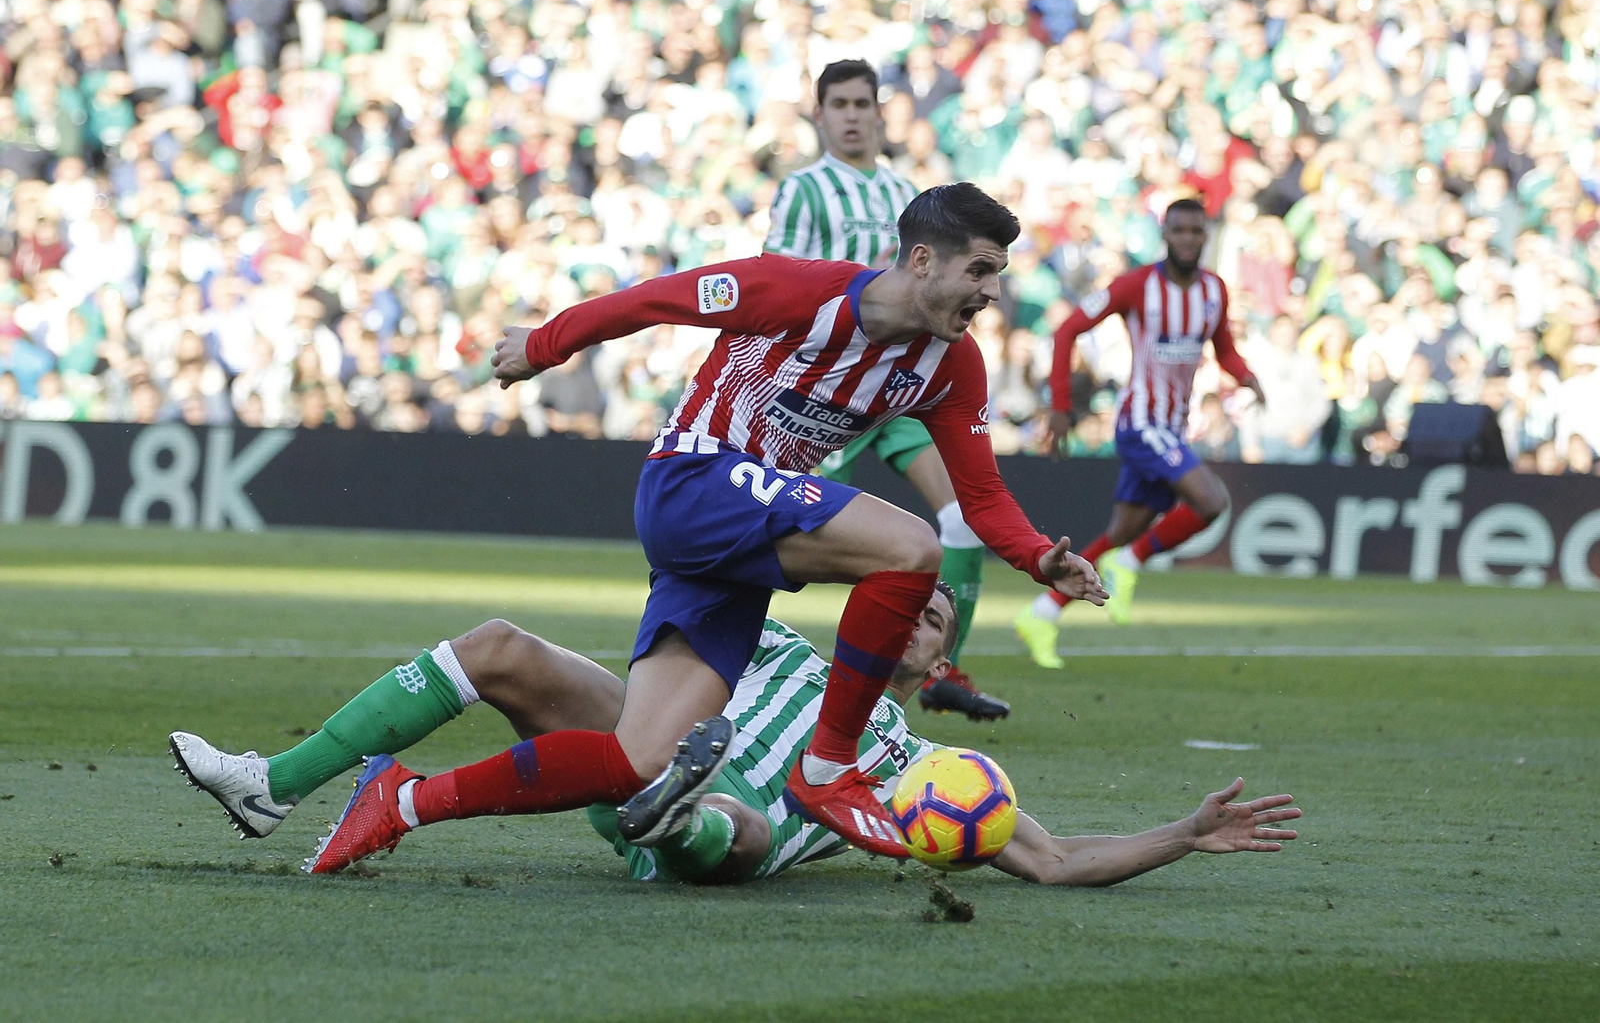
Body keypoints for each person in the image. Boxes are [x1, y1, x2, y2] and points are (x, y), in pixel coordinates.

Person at [485, 183, 1104, 858]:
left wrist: (1038, 557)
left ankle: (403, 800)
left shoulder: (954, 366)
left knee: (640, 758)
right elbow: (653, 298)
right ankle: (827, 766)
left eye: (998, 274)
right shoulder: (795, 290)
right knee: (910, 548)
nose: (991, 292)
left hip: (748, 518)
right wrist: (543, 345)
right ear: (923, 260)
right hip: (697, 474)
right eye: (980, 270)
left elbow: (981, 494)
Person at [168, 587, 1299, 883]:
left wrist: (1180, 835)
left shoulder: (918, 768)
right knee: (504, 645)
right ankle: (276, 781)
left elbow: (1052, 861)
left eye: (932, 615)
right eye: (902, 597)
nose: (912, 609)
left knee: (744, 828)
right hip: (628, 744)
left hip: (714, 838)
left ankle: (674, 812)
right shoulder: (774, 644)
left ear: (930, 660)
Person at [765, 59, 1004, 723]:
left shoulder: (906, 194)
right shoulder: (804, 191)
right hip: (823, 392)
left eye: (860, 103)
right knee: (760, 534)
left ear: (878, 111)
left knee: (961, 517)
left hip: (897, 390)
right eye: (836, 103)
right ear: (820, 115)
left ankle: (937, 671)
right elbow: (780, 280)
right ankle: (710, 647)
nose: (849, 114)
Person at [1015, 199, 1265, 667]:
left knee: (1120, 532)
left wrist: (1246, 375)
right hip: (1141, 424)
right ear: (1165, 234)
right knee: (1211, 503)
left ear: (1205, 236)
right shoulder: (1137, 286)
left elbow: (1225, 350)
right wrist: (1062, 406)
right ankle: (1130, 563)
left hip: (1172, 427)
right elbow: (1068, 329)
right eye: (1179, 230)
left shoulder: (1214, 291)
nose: (1188, 238)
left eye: (1196, 231)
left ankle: (1042, 613)